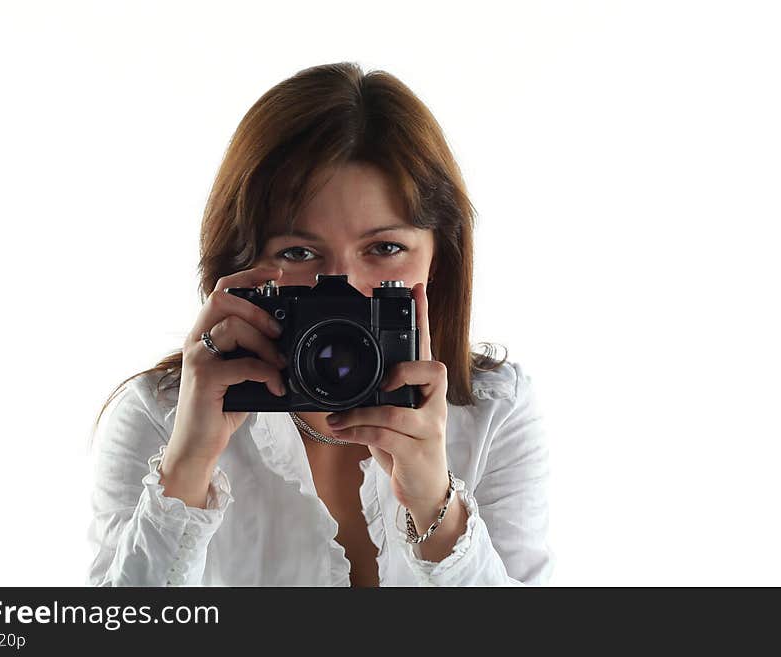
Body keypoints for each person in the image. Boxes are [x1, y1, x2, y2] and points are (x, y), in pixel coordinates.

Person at [86, 62, 553, 586]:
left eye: (385, 248)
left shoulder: (494, 412)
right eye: (300, 251)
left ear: (437, 260)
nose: (341, 286)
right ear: (242, 262)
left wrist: (433, 500)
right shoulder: (159, 417)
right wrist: (188, 465)